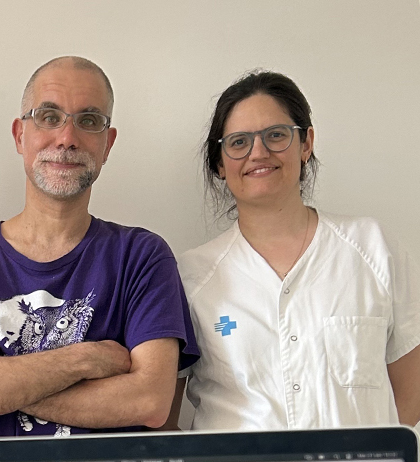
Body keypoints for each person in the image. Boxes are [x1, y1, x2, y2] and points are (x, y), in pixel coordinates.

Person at [0, 56, 197, 438]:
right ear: (20, 135)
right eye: (49, 117)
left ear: (107, 144)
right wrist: (86, 359)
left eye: (89, 120)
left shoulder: (142, 257)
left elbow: (149, 401)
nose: (67, 138)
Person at [173, 70, 420, 431]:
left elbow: (410, 396)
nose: (259, 152)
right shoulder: (190, 276)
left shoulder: (373, 247)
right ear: (220, 164)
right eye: (239, 142)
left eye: (276, 135)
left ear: (306, 144)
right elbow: (164, 416)